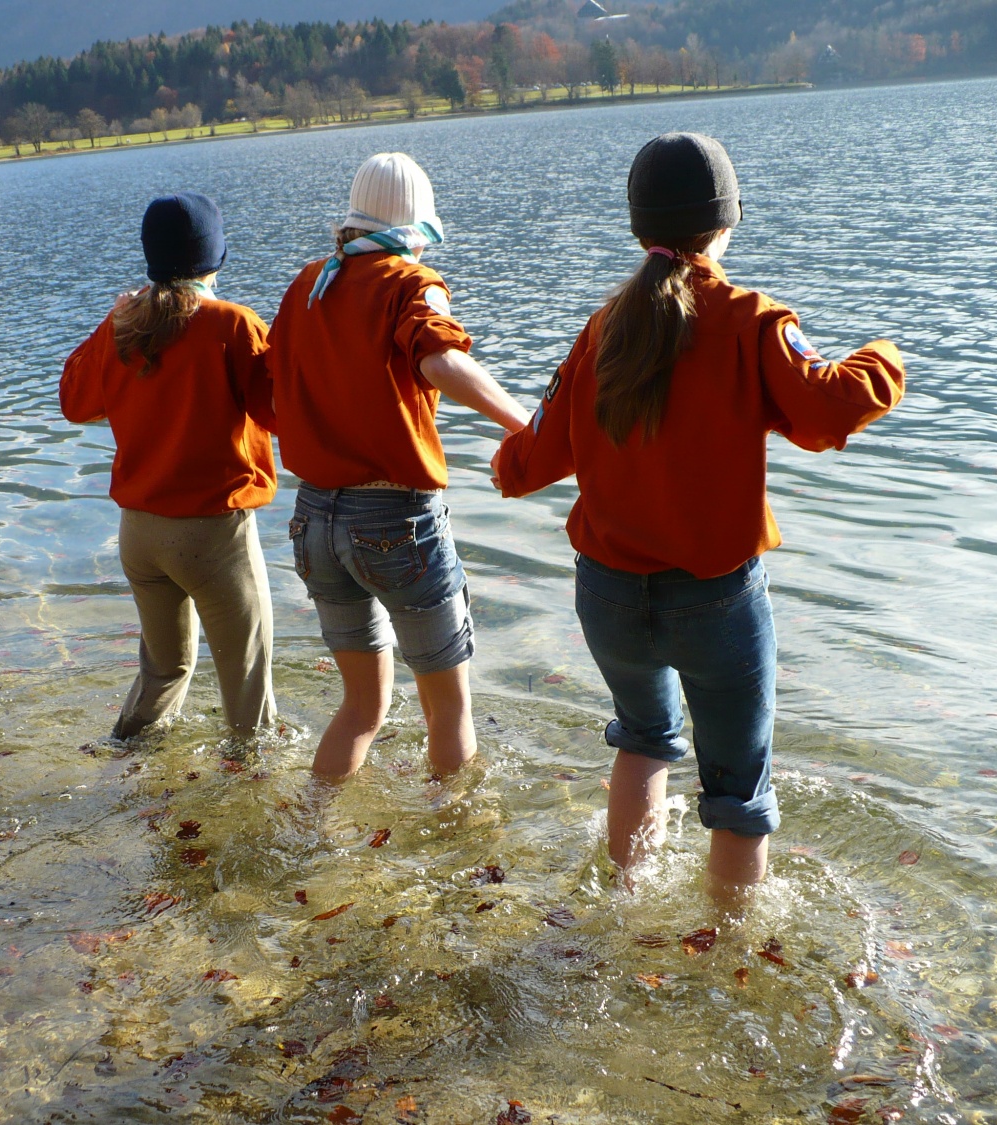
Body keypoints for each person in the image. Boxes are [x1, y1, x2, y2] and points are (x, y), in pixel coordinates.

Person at [491, 133, 905, 904]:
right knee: (738, 794)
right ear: (726, 222)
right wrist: (887, 353)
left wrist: (512, 454)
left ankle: (624, 902)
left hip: (607, 595)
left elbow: (525, 465)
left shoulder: (603, 327)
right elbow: (830, 408)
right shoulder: (751, 319)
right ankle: (727, 956)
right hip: (714, 598)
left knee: (643, 741)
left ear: (638, 224)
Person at [268, 152, 531, 781]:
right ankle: (456, 846)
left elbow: (276, 381)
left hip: (313, 521)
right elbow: (439, 363)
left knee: (362, 705)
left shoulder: (309, 283)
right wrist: (530, 425)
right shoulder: (413, 282)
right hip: (395, 523)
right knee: (448, 707)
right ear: (418, 227)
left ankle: (311, 828)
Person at [59, 192, 278, 739]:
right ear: (216, 257)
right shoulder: (233, 325)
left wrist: (111, 320)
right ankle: (254, 795)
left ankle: (121, 765)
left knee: (163, 671)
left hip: (140, 535)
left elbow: (74, 402)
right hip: (213, 537)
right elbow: (281, 412)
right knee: (248, 688)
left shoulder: (125, 327)